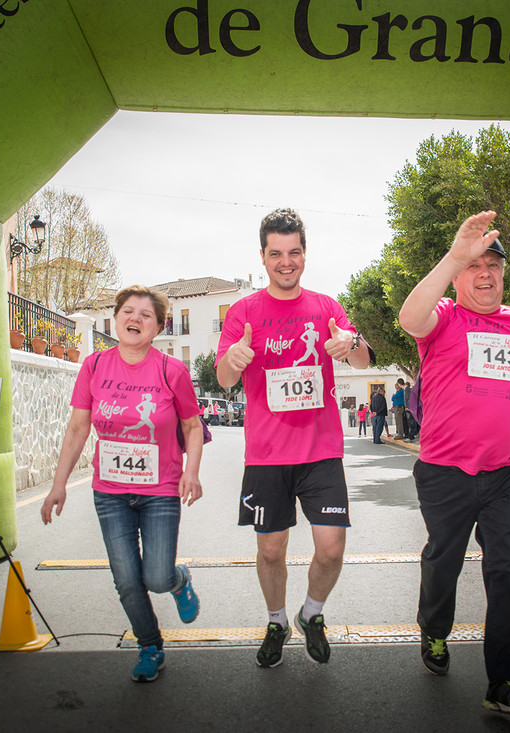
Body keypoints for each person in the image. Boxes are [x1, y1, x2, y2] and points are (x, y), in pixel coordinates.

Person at [398, 210, 510, 719]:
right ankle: (434, 629)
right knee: (443, 560)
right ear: (460, 274)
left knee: (509, 565)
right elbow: (408, 318)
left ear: (504, 274)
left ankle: (506, 680)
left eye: (493, 265)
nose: (484, 273)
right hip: (446, 470)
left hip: (507, 471)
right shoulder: (443, 316)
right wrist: (454, 255)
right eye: (475, 266)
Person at [216, 207, 373, 668]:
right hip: (266, 455)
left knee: (331, 547)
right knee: (270, 549)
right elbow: (224, 379)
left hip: (321, 450)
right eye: (276, 253)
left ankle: (312, 613)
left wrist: (352, 345)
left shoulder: (326, 307)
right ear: (263, 257)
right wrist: (236, 358)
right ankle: (276, 620)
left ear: (305, 253)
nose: (286, 262)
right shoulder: (244, 312)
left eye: (294, 252)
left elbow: (361, 359)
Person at [41, 285, 203, 684]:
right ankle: (150, 646)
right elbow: (78, 427)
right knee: (127, 580)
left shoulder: (171, 370)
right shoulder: (94, 366)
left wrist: (191, 472)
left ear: (158, 327)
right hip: (110, 492)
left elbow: (192, 425)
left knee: (156, 577)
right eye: (128, 311)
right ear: (116, 319)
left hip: (160, 490)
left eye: (145, 315)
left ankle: (179, 581)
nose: (135, 319)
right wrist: (58, 484)